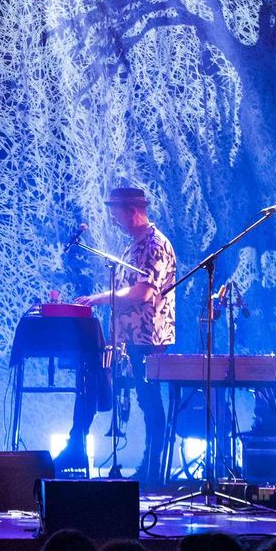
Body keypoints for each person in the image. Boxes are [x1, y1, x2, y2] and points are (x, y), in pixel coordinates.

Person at [67, 186, 173, 485]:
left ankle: (153, 471)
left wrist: (99, 298)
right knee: (117, 391)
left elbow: (144, 292)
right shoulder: (135, 244)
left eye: (115, 211)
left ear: (132, 211)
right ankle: (76, 448)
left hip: (148, 337)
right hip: (130, 338)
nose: (113, 218)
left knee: (149, 401)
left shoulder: (154, 244)